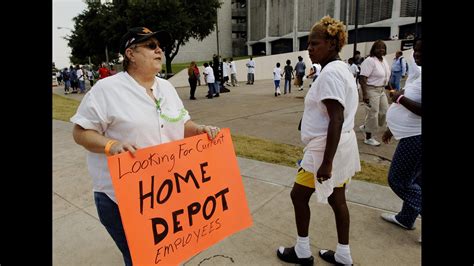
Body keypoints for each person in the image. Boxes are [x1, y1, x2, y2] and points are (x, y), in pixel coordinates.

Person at [70, 26, 221, 266]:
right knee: (141, 260)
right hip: (119, 199)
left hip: (165, 194)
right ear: (130, 53)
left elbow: (182, 123)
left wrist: (200, 129)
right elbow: (80, 132)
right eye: (151, 46)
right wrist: (111, 144)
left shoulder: (167, 88)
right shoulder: (107, 89)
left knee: (166, 257)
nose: (159, 49)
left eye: (159, 46)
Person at [276, 16, 360, 266]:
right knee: (338, 199)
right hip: (340, 145)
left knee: (298, 196)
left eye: (315, 44)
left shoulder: (331, 74)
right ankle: (344, 255)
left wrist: (326, 163)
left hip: (324, 149)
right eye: (308, 44)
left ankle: (302, 251)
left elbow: (336, 118)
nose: (309, 49)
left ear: (332, 45)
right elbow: (331, 114)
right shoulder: (340, 68)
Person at [380, 38, 422, 240]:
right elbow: (408, 93)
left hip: (416, 138)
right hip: (410, 134)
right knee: (416, 180)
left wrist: (399, 98)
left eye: (421, 51)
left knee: (398, 180)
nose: (416, 55)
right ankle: (406, 218)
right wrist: (391, 127)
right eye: (415, 51)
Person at [358, 40, 392, 146]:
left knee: (384, 112)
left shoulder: (383, 60)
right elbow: (362, 78)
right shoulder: (370, 60)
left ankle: (366, 127)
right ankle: (368, 137)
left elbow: (386, 77)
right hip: (371, 89)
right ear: (373, 49)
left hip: (381, 90)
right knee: (373, 114)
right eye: (378, 47)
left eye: (383, 48)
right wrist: (365, 94)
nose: (381, 50)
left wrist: (391, 89)